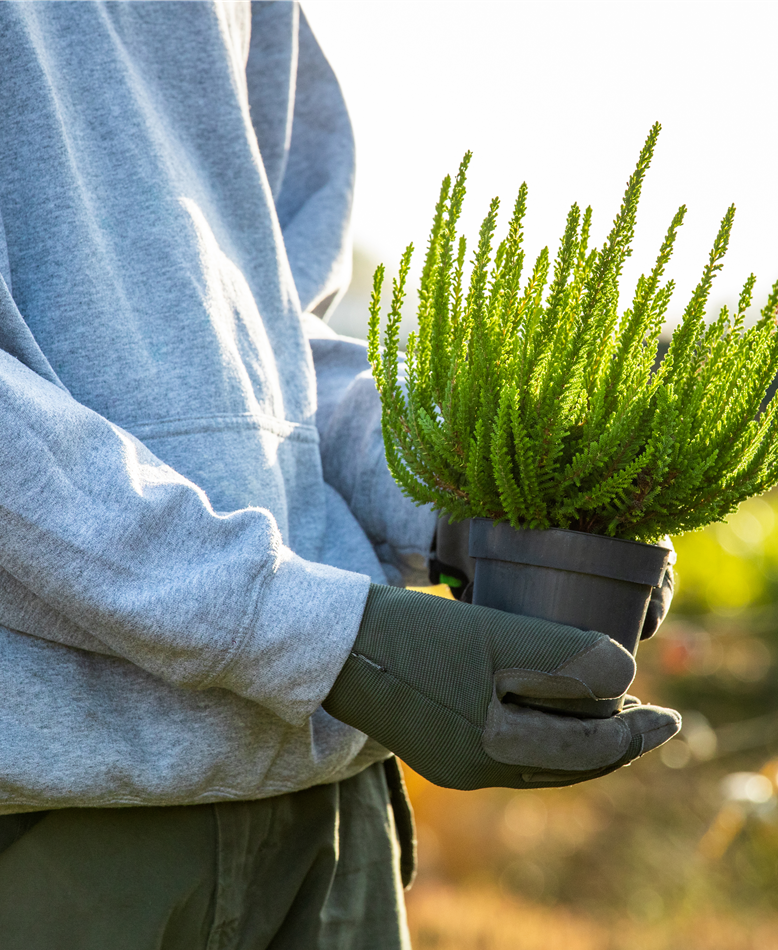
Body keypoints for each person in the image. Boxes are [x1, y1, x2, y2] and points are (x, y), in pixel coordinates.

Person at [0, 2, 680, 947]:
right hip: (59, 835)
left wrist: (464, 498)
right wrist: (338, 642)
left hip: (329, 818)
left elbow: (279, 345)